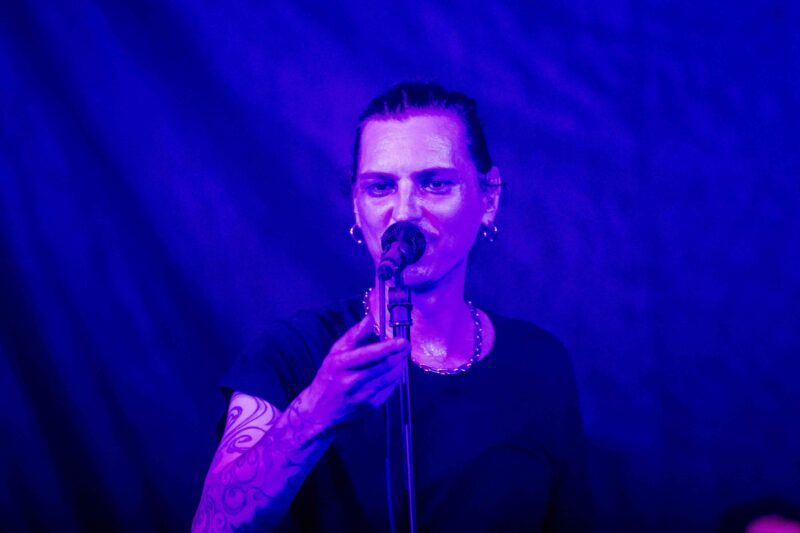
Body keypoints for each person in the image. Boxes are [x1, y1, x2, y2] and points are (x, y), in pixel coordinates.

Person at [192, 82, 592, 532]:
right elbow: (210, 526)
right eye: (380, 187)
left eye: (435, 184)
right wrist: (315, 413)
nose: (404, 212)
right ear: (356, 206)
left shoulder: (539, 362)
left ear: (489, 198)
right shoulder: (291, 353)